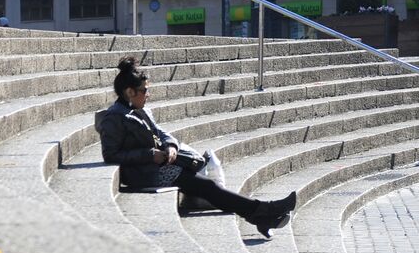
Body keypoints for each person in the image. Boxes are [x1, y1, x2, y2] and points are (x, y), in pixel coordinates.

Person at [96, 57, 296, 238]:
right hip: (143, 174)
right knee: (208, 187)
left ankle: (261, 216)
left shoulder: (139, 110)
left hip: (159, 166)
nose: (148, 94)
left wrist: (171, 146)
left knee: (209, 187)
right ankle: (264, 212)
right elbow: (110, 155)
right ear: (130, 92)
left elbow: (161, 133)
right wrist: (149, 155)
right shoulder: (114, 117)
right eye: (145, 90)